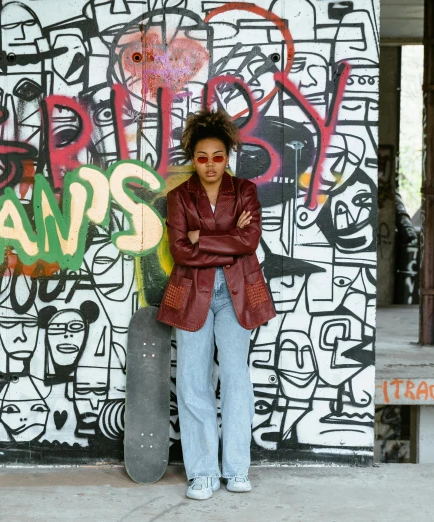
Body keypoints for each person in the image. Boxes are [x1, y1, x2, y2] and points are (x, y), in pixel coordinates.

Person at [157, 108, 276, 500]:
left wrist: (200, 238)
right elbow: (180, 253)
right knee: (193, 382)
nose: (210, 165)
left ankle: (237, 468)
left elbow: (249, 243)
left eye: (218, 157)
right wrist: (225, 240)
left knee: (236, 380)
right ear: (193, 158)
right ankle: (203, 472)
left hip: (237, 295)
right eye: (202, 157)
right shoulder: (178, 197)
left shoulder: (245, 192)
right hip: (193, 295)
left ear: (228, 157)